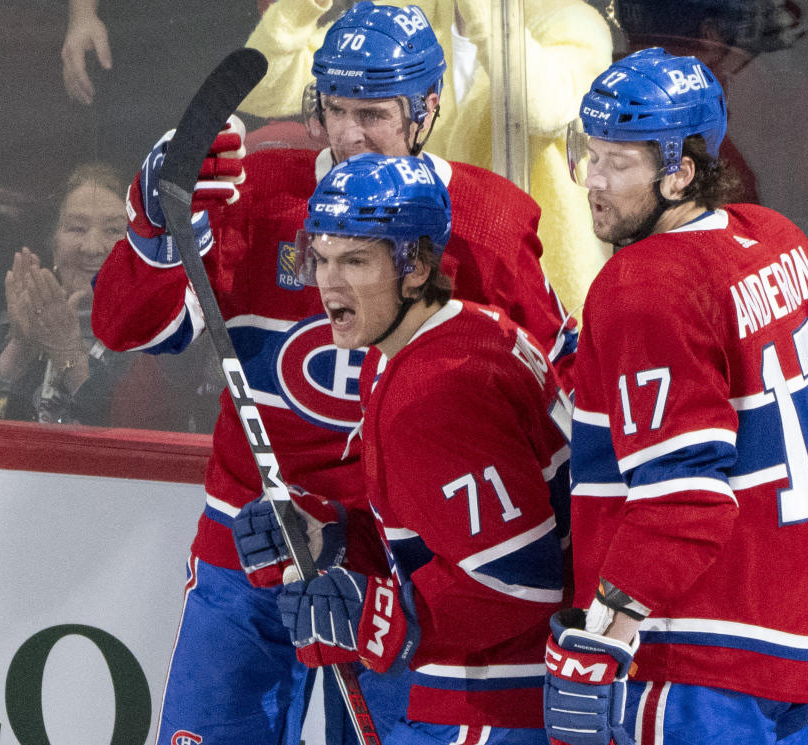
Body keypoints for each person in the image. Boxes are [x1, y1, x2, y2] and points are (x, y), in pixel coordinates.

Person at [90, 4, 577, 744]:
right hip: (252, 538)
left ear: (426, 111)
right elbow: (131, 329)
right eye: (335, 109)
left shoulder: (483, 224)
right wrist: (156, 234)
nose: (350, 135)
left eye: (374, 113)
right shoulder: (257, 193)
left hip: (396, 566)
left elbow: (553, 408)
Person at [542, 47, 808, 745]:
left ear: (681, 171)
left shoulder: (644, 285)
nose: (595, 182)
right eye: (593, 154)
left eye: (619, 162)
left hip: (699, 653)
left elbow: (684, 500)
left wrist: (606, 621)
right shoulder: (774, 238)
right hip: (805, 630)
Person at [264, 151, 571, 744]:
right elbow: (449, 526)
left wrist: (388, 619)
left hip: (495, 702)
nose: (329, 281)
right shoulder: (470, 327)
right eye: (321, 258)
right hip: (499, 687)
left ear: (417, 265)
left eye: (355, 260)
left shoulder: (437, 391)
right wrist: (331, 531)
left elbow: (521, 580)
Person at [240, 0, 616, 315]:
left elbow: (542, 109)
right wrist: (303, 6)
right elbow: (262, 91)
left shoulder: (576, 23)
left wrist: (486, 15)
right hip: (429, 270)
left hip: (535, 280)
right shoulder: (409, 17)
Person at [0, 163, 130, 424]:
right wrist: (20, 347)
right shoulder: (16, 320)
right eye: (77, 228)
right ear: (54, 246)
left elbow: (133, 437)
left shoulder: (159, 339)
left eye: (112, 230)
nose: (92, 247)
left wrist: (67, 353)